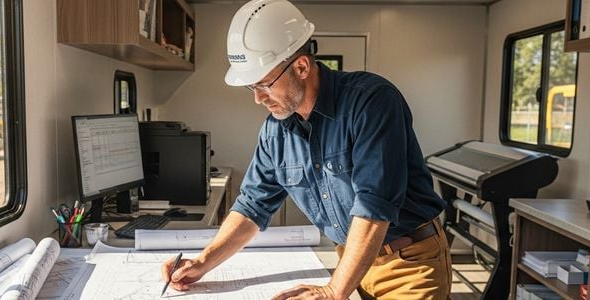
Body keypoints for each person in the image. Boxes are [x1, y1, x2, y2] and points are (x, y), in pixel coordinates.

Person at [160, 0, 450, 299]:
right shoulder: (276, 131)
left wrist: (333, 291)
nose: (258, 99)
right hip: (352, 260)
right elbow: (251, 207)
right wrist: (202, 262)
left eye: (264, 84)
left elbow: (374, 207)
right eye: (251, 88)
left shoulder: (371, 102)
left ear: (301, 67)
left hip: (408, 263)